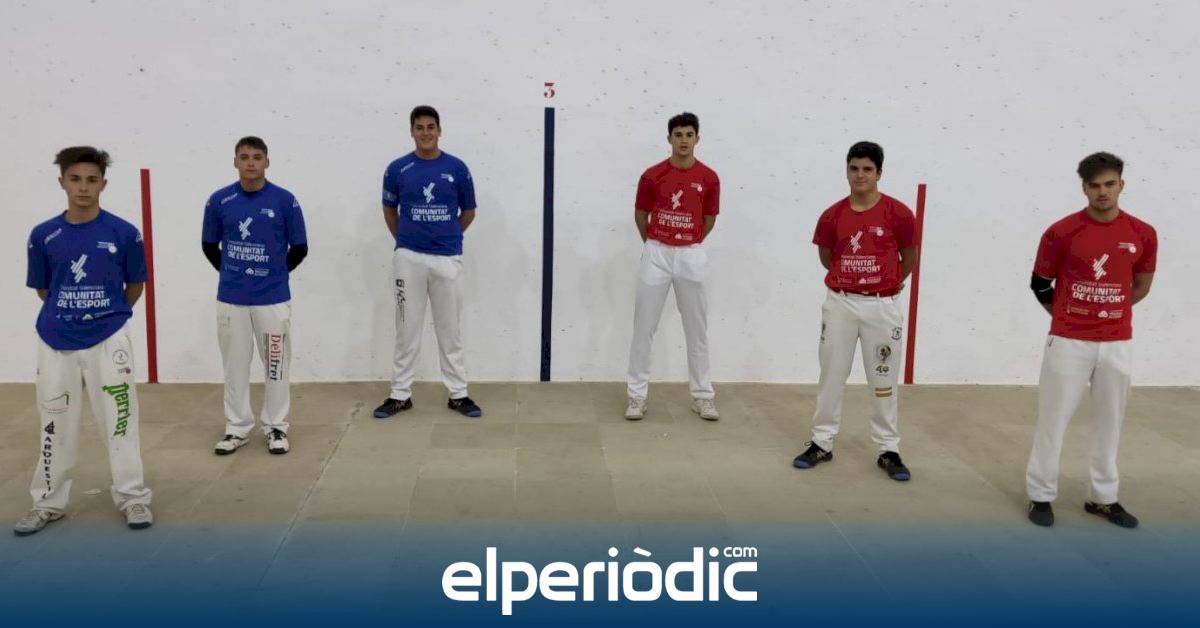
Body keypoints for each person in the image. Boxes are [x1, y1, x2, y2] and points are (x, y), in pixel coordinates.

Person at [17, 146, 154, 535]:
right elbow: (44, 289)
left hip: (109, 340)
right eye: (75, 179)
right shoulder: (43, 235)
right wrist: (71, 316)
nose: (83, 187)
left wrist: (107, 317)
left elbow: (135, 285)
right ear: (61, 182)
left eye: (92, 180)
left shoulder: (124, 233)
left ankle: (133, 497)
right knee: (54, 423)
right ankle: (47, 502)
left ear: (103, 185)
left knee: (120, 421)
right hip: (55, 339)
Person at [1025, 152, 1156, 528]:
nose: (1103, 192)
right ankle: (1040, 495)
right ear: (1084, 188)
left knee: (1110, 422)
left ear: (1121, 185)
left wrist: (1108, 313)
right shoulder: (1061, 231)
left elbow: (1140, 285)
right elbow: (1039, 283)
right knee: (1053, 420)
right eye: (1095, 186)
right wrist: (1068, 316)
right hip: (1068, 342)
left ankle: (1103, 498)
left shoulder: (1143, 233)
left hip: (1117, 343)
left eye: (1110, 184)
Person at [793, 141, 917, 481]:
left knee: (883, 379)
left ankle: (889, 449)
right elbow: (827, 257)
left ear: (879, 173)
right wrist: (850, 281)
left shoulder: (899, 213)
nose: (860, 175)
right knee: (831, 374)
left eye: (867, 169)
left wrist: (888, 282)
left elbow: (909, 255)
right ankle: (821, 442)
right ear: (847, 171)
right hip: (840, 305)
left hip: (882, 307)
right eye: (854, 168)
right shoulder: (832, 215)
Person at [373, 105, 482, 419]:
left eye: (430, 127)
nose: (425, 133)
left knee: (450, 329)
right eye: (419, 127)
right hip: (408, 259)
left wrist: (448, 235)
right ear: (412, 132)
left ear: (439, 130)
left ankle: (458, 394)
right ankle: (400, 394)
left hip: (447, 258)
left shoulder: (457, 168)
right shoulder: (397, 169)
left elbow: (469, 211)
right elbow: (389, 210)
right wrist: (406, 241)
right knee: (406, 328)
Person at [201, 136, 308, 455]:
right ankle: (236, 428)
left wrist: (275, 274)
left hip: (272, 299)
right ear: (235, 161)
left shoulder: (285, 200)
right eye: (244, 157)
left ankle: (276, 426)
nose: (250, 162)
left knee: (276, 365)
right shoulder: (219, 200)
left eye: (257, 157)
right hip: (231, 298)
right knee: (234, 366)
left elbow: (300, 247)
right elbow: (209, 245)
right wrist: (232, 272)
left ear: (267, 162)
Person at [624, 112, 721, 421]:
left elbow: (709, 219)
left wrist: (688, 241)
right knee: (644, 327)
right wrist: (656, 244)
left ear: (697, 138)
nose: (683, 140)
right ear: (669, 139)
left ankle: (703, 396)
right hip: (656, 254)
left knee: (697, 328)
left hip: (691, 255)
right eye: (678, 134)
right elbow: (641, 215)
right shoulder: (652, 175)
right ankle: (636, 396)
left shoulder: (709, 178)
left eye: (689, 134)